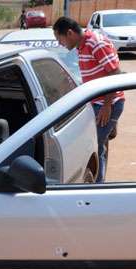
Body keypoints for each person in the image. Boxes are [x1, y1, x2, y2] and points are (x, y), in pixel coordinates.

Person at [53, 16, 124, 183]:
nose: (60, 44)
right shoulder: (81, 46)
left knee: (94, 145)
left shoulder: (96, 43)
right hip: (95, 103)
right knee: (100, 146)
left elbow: (115, 74)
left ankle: (97, 188)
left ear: (69, 33)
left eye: (59, 39)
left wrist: (108, 106)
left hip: (107, 103)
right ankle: (100, 185)